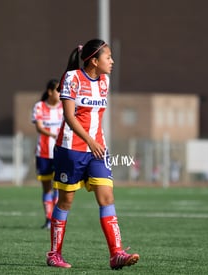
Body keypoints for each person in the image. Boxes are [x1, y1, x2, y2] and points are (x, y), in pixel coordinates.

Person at [46, 39, 140, 270]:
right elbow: (69, 116)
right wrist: (89, 140)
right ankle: (54, 254)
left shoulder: (105, 81)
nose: (112, 61)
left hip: (98, 150)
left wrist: (95, 142)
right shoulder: (72, 78)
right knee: (66, 201)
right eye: (108, 57)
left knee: (106, 197)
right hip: (71, 150)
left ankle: (116, 253)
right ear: (95, 61)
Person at [32, 79, 63, 229]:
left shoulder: (64, 107)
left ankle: (56, 220)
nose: (60, 93)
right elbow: (39, 127)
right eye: (58, 90)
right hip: (43, 152)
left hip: (59, 152)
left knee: (58, 186)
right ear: (50, 92)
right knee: (46, 187)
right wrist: (52, 135)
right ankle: (48, 219)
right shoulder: (39, 106)